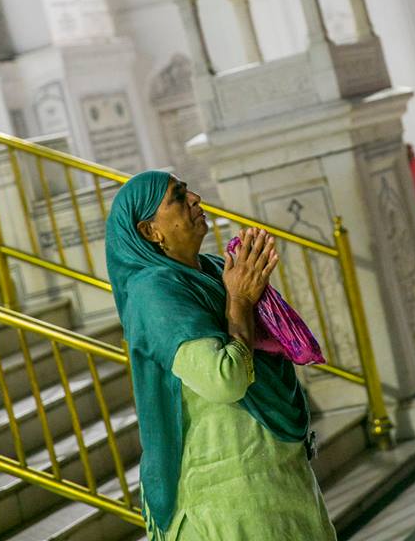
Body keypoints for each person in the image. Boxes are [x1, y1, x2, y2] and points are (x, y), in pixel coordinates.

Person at [105, 170, 337, 541]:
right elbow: (223, 380)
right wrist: (241, 300)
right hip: (228, 489)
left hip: (278, 474)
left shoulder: (214, 269)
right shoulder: (153, 291)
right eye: (178, 197)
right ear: (150, 231)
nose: (195, 198)